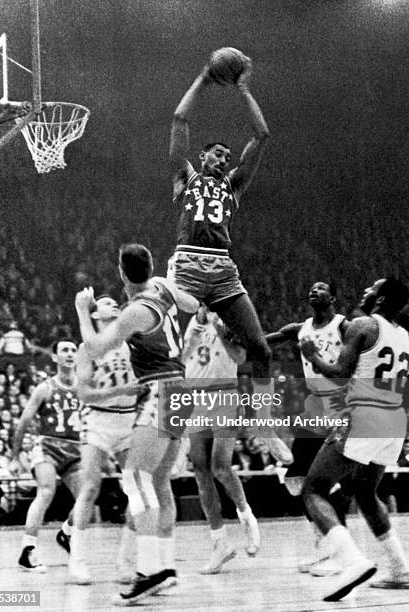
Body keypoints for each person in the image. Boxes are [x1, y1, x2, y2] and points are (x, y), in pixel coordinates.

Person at [168, 56, 290, 463]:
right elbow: (179, 120)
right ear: (203, 158)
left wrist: (244, 90)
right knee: (160, 341)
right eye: (216, 154)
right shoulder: (186, 176)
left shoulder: (234, 185)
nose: (222, 158)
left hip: (221, 269)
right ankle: (161, 421)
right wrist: (203, 78)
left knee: (261, 350)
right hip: (186, 264)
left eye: (226, 155)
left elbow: (263, 134)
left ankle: (264, 424)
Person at [75, 243, 198, 604]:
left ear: (121, 272)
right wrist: (171, 283)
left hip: (160, 389)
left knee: (135, 477)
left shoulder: (135, 311)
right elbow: (192, 304)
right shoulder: (161, 288)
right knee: (158, 481)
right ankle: (164, 567)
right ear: (151, 267)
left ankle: (149, 572)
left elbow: (96, 347)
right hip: (181, 388)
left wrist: (83, 311)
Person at [300, 278, 409, 601]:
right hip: (395, 419)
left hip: (364, 414)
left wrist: (312, 354)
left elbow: (338, 372)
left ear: (382, 298)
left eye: (372, 289)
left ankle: (352, 562)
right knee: (365, 491)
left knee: (314, 489)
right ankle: (400, 568)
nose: (365, 291)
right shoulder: (404, 336)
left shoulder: (362, 325)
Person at [266, 281, 351, 576]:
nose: (314, 291)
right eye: (311, 288)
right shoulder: (298, 329)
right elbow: (263, 340)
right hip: (314, 407)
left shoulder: (344, 326)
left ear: (333, 298)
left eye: (321, 288)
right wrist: (235, 334)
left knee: (315, 481)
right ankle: (326, 544)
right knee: (296, 480)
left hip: (340, 405)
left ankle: (336, 552)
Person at [68, 294, 140, 584]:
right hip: (98, 421)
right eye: (106, 303)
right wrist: (119, 391)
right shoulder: (88, 348)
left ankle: (127, 562)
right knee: (89, 487)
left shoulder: (132, 343)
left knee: (138, 490)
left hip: (128, 421)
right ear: (95, 316)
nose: (113, 305)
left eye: (114, 302)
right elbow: (83, 394)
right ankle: (77, 560)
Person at [183, 303, 260, 573]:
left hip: (224, 394)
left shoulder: (231, 322)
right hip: (195, 399)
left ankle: (247, 517)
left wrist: (218, 327)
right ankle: (219, 543)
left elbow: (240, 357)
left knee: (221, 466)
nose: (204, 305)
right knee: (201, 471)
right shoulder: (192, 324)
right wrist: (192, 338)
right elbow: (182, 361)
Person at [12, 339, 82, 572]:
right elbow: (23, 423)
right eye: (64, 350)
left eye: (73, 350)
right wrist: (15, 457)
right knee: (46, 491)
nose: (70, 354)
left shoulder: (85, 387)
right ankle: (27, 550)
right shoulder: (45, 388)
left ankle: (67, 533)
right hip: (48, 446)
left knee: (86, 499)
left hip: (75, 448)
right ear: (55, 357)